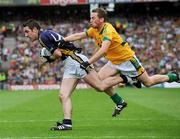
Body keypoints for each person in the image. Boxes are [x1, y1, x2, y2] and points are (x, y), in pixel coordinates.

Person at [64, 7, 180, 114]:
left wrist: (88, 62)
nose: (90, 20)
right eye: (90, 18)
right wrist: (63, 39)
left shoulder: (107, 30)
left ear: (101, 19)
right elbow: (79, 35)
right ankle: (119, 101)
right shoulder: (94, 29)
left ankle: (173, 77)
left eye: (93, 18)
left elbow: (104, 50)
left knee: (148, 82)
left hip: (127, 60)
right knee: (99, 82)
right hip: (113, 62)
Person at [22, 19, 128, 131]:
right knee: (63, 95)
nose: (26, 35)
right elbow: (60, 50)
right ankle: (67, 123)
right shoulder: (46, 33)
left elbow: (58, 54)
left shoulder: (42, 37)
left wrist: (48, 59)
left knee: (100, 86)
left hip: (75, 60)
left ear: (34, 30)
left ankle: (126, 78)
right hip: (71, 62)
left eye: (27, 31)